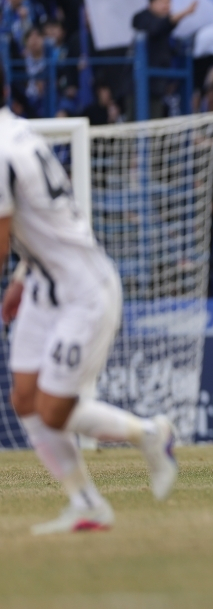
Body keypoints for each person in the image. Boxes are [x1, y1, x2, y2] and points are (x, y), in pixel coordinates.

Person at [0, 83, 177, 534]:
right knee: (24, 399)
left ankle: (149, 434)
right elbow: (43, 220)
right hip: (45, 283)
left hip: (84, 290)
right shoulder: (17, 133)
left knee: (53, 410)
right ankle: (86, 503)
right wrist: (23, 276)